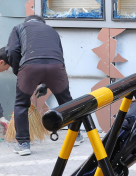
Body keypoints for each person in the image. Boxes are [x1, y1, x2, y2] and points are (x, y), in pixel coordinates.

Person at [6, 15, 83, 156]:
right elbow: (58, 54)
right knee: (67, 102)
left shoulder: (19, 28)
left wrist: (18, 70)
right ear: (42, 23)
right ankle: (76, 136)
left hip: (29, 66)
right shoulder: (51, 30)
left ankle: (23, 144)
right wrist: (49, 80)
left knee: (21, 105)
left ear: (27, 22)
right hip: (56, 66)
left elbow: (12, 51)